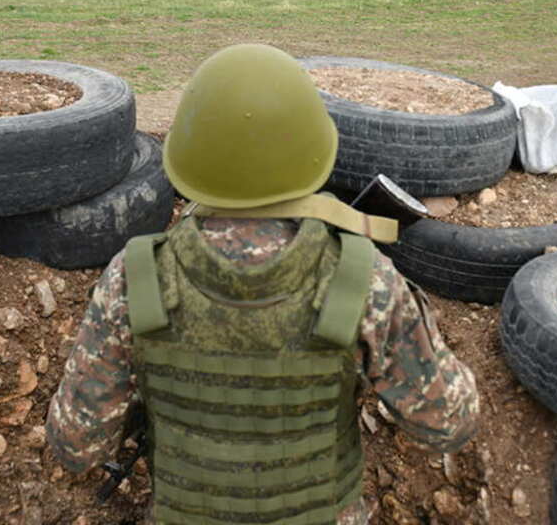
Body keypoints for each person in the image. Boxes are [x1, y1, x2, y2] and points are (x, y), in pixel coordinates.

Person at [46, 44, 479, 525]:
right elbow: (447, 425)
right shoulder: (362, 279)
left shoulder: (134, 280)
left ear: (187, 159)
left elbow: (76, 447)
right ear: (313, 153)